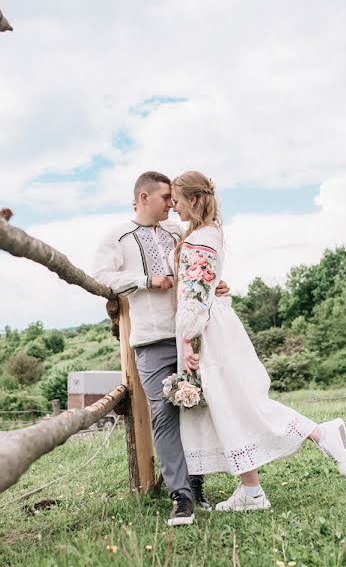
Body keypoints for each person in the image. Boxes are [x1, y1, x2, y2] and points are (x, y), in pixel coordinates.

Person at [171, 170, 346, 512]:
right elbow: (202, 286)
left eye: (178, 201)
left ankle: (321, 433)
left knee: (241, 404)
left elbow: (193, 296)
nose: (174, 208)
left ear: (193, 200)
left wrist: (186, 344)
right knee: (230, 407)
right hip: (215, 323)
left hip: (207, 331)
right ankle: (251, 491)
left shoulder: (200, 239)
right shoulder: (206, 233)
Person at [91, 171, 229, 526]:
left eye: (174, 198)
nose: (172, 203)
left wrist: (215, 285)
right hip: (151, 338)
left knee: (196, 407)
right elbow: (100, 276)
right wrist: (145, 281)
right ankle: (180, 496)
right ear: (143, 198)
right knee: (164, 414)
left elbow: (198, 268)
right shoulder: (118, 236)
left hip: (192, 336)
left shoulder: (177, 233)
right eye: (166, 197)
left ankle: (197, 485)